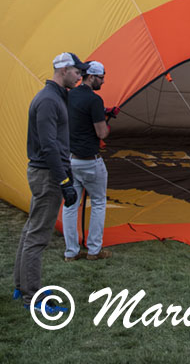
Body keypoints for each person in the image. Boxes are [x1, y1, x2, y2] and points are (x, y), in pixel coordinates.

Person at [13, 52, 84, 313]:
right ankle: (32, 298)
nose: (79, 77)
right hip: (47, 175)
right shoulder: (48, 100)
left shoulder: (56, 97)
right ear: (64, 70)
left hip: (46, 173)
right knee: (38, 237)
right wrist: (63, 180)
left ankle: (21, 286)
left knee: (31, 230)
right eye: (77, 71)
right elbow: (48, 145)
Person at [62, 60, 112, 261]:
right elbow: (101, 133)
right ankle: (94, 250)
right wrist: (107, 124)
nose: (103, 82)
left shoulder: (68, 95)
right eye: (101, 78)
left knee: (70, 205)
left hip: (71, 160)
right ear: (91, 77)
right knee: (98, 202)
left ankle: (71, 252)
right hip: (90, 161)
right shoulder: (94, 100)